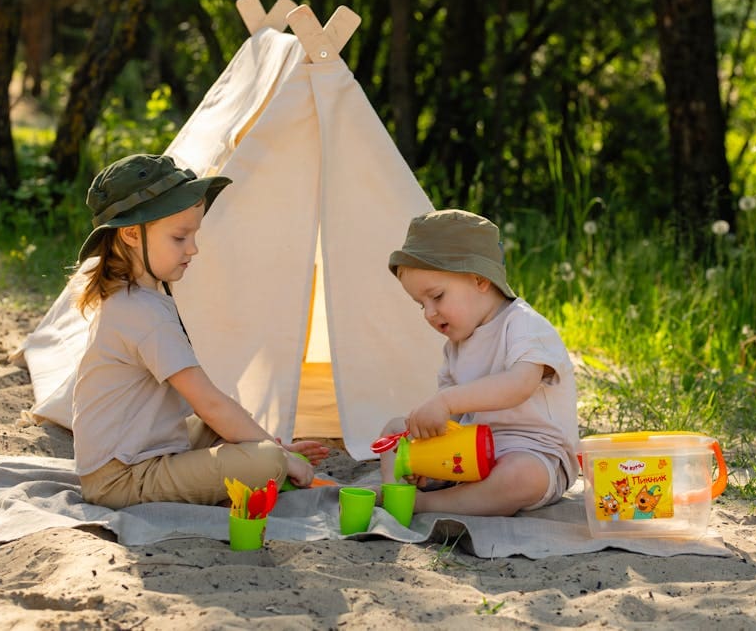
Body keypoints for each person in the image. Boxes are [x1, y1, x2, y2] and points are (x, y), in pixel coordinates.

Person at [71, 153, 328, 510]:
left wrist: (272, 444)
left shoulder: (135, 296)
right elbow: (207, 401)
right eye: (180, 237)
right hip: (121, 478)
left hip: (140, 447)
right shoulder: (141, 313)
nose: (193, 248)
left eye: (194, 234)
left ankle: (270, 457)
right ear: (131, 234)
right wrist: (280, 458)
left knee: (230, 428)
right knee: (262, 459)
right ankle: (272, 466)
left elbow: (212, 411)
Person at [378, 209, 578, 516]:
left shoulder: (524, 325)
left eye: (437, 296)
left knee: (521, 477)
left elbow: (519, 385)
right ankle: (398, 489)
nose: (429, 313)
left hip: (530, 452)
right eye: (421, 304)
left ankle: (426, 504)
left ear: (480, 280)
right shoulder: (455, 347)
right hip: (468, 453)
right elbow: (454, 422)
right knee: (395, 429)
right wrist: (428, 450)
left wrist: (445, 401)